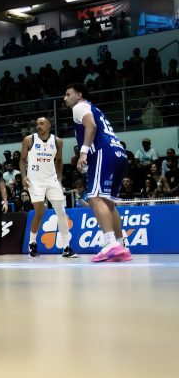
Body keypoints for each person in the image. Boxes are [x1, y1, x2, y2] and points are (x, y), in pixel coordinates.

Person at [63, 83, 132, 262]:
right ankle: (121, 245)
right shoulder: (95, 108)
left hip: (104, 151)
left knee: (94, 198)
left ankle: (110, 244)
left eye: (68, 94)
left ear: (79, 95)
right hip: (119, 152)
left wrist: (83, 152)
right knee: (109, 203)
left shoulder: (79, 106)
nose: (65, 98)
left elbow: (91, 126)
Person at [20, 117, 77, 258]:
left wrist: (58, 179)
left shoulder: (58, 141)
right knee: (40, 213)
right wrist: (23, 176)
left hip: (52, 181)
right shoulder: (29, 139)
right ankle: (32, 243)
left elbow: (59, 161)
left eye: (41, 123)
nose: (38, 126)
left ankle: (66, 247)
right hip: (35, 182)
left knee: (61, 212)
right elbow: (22, 159)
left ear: (49, 125)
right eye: (37, 124)